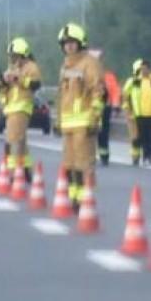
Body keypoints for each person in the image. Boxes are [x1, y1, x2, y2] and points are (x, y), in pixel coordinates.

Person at [56, 24, 105, 207]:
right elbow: (62, 94)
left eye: (72, 43)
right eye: (65, 43)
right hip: (68, 123)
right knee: (69, 164)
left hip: (84, 121)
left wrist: (94, 116)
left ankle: (85, 198)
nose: (68, 46)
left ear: (80, 43)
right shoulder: (65, 65)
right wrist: (58, 118)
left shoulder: (90, 63)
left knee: (83, 163)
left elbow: (98, 92)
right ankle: (74, 196)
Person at [0, 37, 44, 184]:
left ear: (23, 54)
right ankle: (25, 170)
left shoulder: (31, 67)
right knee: (21, 142)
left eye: (15, 56)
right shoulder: (11, 69)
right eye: (11, 56)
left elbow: (35, 84)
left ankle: (12, 172)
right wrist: (3, 80)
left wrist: (19, 78)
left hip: (21, 107)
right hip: (10, 108)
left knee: (12, 141)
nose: (13, 59)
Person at [95, 52, 122, 167]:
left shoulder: (109, 77)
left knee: (103, 133)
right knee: (88, 134)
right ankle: (88, 155)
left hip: (105, 109)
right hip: (89, 110)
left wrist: (116, 106)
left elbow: (115, 92)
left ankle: (104, 155)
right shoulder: (85, 75)